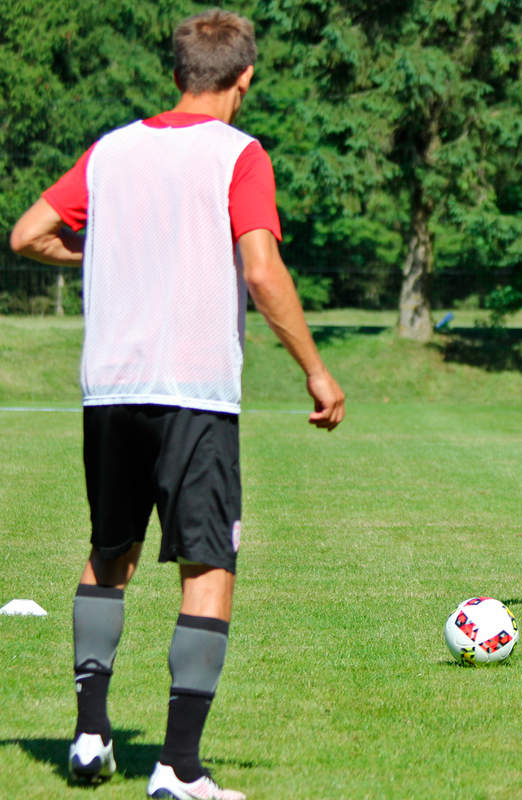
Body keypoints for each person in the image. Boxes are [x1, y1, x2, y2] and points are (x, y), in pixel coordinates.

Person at [9, 9, 345, 798]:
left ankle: (90, 736)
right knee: (209, 566)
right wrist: (315, 371)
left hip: (110, 391)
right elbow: (261, 272)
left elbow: (27, 233)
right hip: (194, 392)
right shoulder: (239, 154)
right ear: (245, 78)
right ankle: (178, 768)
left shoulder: (112, 150)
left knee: (109, 556)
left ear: (175, 73)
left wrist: (110, 248)